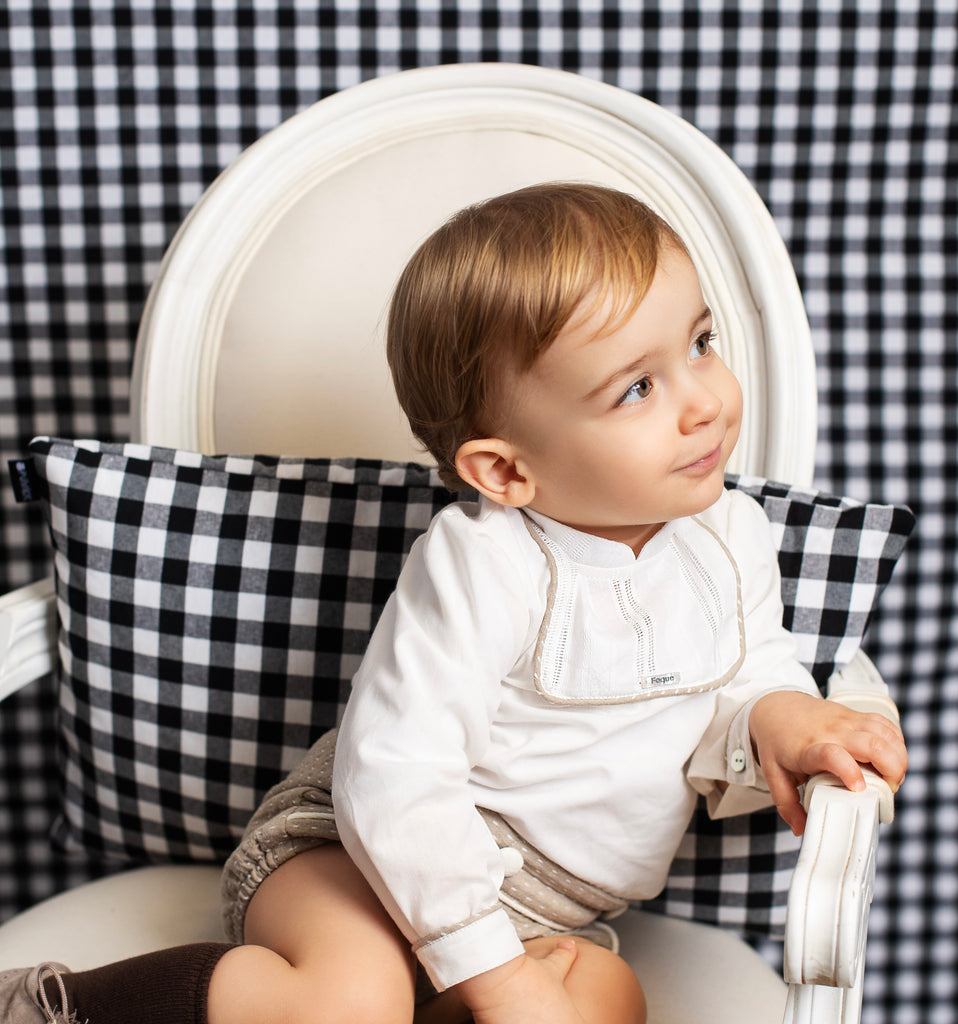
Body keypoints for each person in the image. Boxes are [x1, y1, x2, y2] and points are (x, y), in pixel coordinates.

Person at [3, 183, 907, 1024]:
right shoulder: (482, 562)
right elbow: (395, 778)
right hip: (356, 857)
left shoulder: (730, 532)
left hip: (555, 907)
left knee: (610, 1003)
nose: (702, 404)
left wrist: (786, 717)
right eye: (638, 387)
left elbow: (744, 673)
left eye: (700, 344)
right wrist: (499, 977)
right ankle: (58, 1007)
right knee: (348, 1003)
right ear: (505, 470)